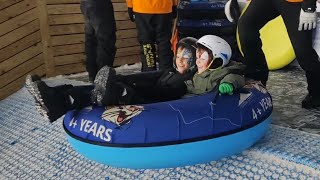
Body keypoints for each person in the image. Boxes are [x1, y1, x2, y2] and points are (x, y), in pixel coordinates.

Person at [25, 37, 198, 122]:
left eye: (186, 57)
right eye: (179, 55)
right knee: (100, 89)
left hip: (142, 103)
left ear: (193, 62)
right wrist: (124, 78)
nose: (180, 60)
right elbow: (147, 76)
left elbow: (158, 93)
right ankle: (55, 96)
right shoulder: (170, 72)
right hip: (136, 95)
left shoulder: (182, 84)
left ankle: (57, 103)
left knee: (113, 90)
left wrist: (128, 87)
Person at [233, 0, 320, 109]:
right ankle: (256, 82)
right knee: (246, 26)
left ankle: (317, 92)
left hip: (295, 2)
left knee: (303, 52)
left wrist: (309, 6)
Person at [126, 0, 177, 71]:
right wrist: (174, 5)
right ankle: (166, 73)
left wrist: (130, 6)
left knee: (146, 43)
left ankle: (149, 73)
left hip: (141, 7)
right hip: (164, 7)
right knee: (164, 43)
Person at [80, 0, 117, 82]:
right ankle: (104, 79)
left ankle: (94, 76)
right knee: (105, 41)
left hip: (87, 3)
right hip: (100, 4)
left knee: (92, 40)